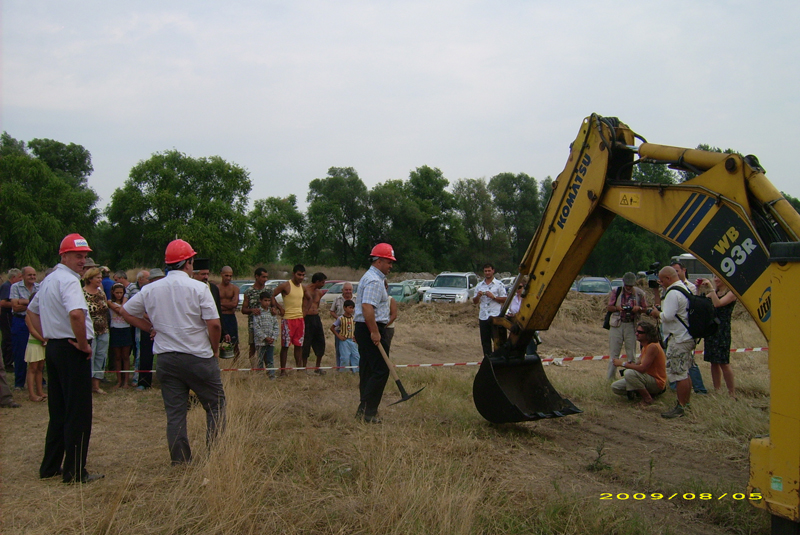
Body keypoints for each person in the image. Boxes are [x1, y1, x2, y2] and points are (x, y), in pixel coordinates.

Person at [121, 239, 225, 465]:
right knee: (216, 405)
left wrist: (150, 328)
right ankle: (216, 457)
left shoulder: (150, 289)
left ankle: (180, 461)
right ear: (188, 262)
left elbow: (126, 312)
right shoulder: (199, 288)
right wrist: (214, 349)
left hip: (167, 359)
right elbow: (214, 325)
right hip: (198, 357)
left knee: (176, 414)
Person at [27, 233, 102, 483]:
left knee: (58, 411)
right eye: (78, 256)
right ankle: (74, 472)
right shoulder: (69, 281)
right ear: (64, 256)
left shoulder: (50, 280)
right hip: (71, 350)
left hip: (56, 348)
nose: (83, 261)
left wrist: (45, 337)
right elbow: (77, 315)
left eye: (85, 256)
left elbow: (32, 310)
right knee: (78, 412)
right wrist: (83, 345)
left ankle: (50, 466)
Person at [354, 244, 395, 423]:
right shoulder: (373, 280)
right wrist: (375, 332)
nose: (391, 266)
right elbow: (367, 307)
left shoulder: (372, 277)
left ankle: (364, 410)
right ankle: (368, 412)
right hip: (370, 327)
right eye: (388, 262)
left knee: (369, 369)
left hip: (367, 327)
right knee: (381, 370)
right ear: (379, 261)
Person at [647, 266, 695, 419]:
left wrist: (656, 313)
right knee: (685, 371)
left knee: (679, 374)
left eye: (661, 280)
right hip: (687, 336)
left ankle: (680, 407)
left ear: (668, 278)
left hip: (678, 338)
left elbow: (667, 316)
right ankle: (685, 403)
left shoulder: (673, 292)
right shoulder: (684, 288)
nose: (660, 283)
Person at [698, 276, 737, 397]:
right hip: (712, 328)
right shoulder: (714, 292)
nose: (716, 280)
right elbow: (700, 302)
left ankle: (732, 393)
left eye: (718, 277)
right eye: (714, 277)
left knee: (723, 362)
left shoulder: (732, 293)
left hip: (722, 329)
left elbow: (718, 303)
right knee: (713, 362)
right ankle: (717, 390)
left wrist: (711, 290)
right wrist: (699, 288)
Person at [611, 322, 667, 405]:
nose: (637, 334)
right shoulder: (645, 346)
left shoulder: (653, 347)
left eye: (640, 332)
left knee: (629, 373)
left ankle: (647, 399)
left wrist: (622, 364)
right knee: (615, 387)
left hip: (657, 382)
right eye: (636, 331)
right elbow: (638, 364)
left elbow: (642, 369)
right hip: (646, 379)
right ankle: (642, 393)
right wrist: (630, 364)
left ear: (648, 334)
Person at [605, 272, 647, 380]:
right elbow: (609, 307)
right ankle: (610, 378)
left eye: (631, 285)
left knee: (631, 353)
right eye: (627, 285)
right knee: (614, 352)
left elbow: (646, 309)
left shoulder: (639, 293)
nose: (628, 287)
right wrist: (617, 308)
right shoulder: (616, 291)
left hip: (631, 325)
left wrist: (639, 309)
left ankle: (632, 377)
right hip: (617, 324)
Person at [273, 265, 308, 376]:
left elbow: (309, 298)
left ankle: (299, 369)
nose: (301, 277)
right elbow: (271, 295)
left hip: (300, 320)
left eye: (303, 275)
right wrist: (279, 308)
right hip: (288, 320)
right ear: (293, 274)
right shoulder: (286, 285)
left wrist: (305, 311)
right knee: (285, 346)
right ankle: (283, 371)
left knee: (299, 345)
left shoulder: (302, 287)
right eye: (299, 274)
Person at [10, 266, 39, 389]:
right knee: (20, 352)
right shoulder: (15, 287)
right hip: (20, 321)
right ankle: (19, 382)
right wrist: (32, 303)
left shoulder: (39, 287)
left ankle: (39, 381)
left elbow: (43, 305)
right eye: (29, 275)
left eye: (34, 275)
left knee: (38, 352)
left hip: (36, 321)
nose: (32, 277)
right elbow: (15, 307)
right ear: (22, 276)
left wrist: (23, 301)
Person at [83, 267, 112, 393]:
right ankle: (86, 384)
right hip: (89, 330)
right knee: (91, 356)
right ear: (90, 279)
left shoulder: (101, 292)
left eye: (101, 277)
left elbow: (105, 308)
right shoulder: (82, 293)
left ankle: (96, 385)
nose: (100, 280)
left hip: (103, 329)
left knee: (101, 356)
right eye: (98, 278)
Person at [135, 268, 163, 390]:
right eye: (156, 279)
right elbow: (139, 311)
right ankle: (143, 381)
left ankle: (165, 381)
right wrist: (151, 317)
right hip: (148, 326)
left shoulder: (166, 292)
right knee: (146, 354)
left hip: (163, 326)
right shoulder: (145, 292)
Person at [472, 263, 507, 358]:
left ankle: (500, 358)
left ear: (493, 271)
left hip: (495, 316)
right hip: (483, 316)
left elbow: (505, 299)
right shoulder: (479, 285)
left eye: (489, 271)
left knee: (498, 340)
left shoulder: (499, 285)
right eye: (485, 271)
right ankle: (488, 359)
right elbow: (474, 302)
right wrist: (478, 296)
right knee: (485, 341)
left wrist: (494, 297)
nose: (487, 273)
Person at [241, 267, 269, 367]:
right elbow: (243, 310)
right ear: (256, 277)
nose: (265, 279)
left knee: (266, 346)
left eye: (266, 277)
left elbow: (273, 305)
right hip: (253, 324)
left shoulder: (268, 290)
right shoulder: (249, 292)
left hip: (267, 324)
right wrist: (252, 310)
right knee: (253, 346)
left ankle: (267, 367)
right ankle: (254, 367)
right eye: (263, 277)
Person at [107, 283, 133, 390]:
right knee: (117, 357)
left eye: (121, 293)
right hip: (115, 330)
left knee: (126, 357)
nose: (119, 295)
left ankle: (126, 381)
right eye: (117, 293)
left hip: (126, 330)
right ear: (113, 293)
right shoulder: (110, 303)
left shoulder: (128, 304)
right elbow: (119, 311)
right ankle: (119, 380)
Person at [301, 272, 327, 374]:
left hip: (316, 318)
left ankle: (317, 367)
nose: (324, 284)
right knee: (306, 343)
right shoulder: (304, 290)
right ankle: (304, 367)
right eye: (322, 282)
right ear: (317, 281)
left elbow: (317, 305)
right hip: (306, 318)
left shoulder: (319, 293)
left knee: (320, 341)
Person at [252, 290, 280, 378]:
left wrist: (273, 337)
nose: (267, 303)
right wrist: (264, 337)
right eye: (265, 300)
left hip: (270, 341)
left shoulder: (272, 313)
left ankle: (271, 375)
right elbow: (256, 328)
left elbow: (276, 325)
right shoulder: (257, 313)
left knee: (270, 359)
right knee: (260, 359)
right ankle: (259, 375)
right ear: (260, 300)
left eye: (269, 301)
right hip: (261, 341)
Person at [24, 303, 48, 402]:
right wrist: (43, 339)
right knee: (32, 368)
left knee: (40, 368)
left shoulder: (43, 315)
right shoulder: (28, 315)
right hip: (34, 344)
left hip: (42, 344)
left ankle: (40, 391)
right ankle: (32, 394)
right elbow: (32, 330)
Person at [329, 282, 354, 371]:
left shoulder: (356, 299)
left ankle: (352, 368)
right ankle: (340, 368)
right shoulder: (337, 299)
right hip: (340, 330)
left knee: (353, 350)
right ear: (342, 290)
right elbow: (332, 311)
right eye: (346, 290)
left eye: (350, 290)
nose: (348, 291)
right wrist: (340, 319)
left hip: (352, 330)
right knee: (340, 350)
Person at [1, 268, 22, 371]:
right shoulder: (7, 286)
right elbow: (3, 302)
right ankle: (8, 363)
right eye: (20, 277)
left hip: (10, 315)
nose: (21, 280)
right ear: (13, 278)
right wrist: (16, 304)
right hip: (6, 316)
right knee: (8, 337)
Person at [330, 299, 359, 373]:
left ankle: (356, 371)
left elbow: (355, 328)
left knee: (356, 356)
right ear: (345, 308)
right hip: (344, 340)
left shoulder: (354, 318)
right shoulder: (340, 318)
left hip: (352, 340)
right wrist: (339, 336)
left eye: (352, 308)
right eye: (350, 307)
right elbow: (332, 328)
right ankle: (344, 372)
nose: (351, 309)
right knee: (345, 357)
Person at [218, 266, 240, 361]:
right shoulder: (216, 288)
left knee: (234, 343)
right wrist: (228, 305)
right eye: (226, 275)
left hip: (231, 317)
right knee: (216, 341)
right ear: (221, 274)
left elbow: (234, 304)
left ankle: (235, 365)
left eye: (230, 276)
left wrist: (220, 304)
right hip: (219, 317)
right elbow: (214, 305)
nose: (228, 278)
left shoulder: (235, 289)